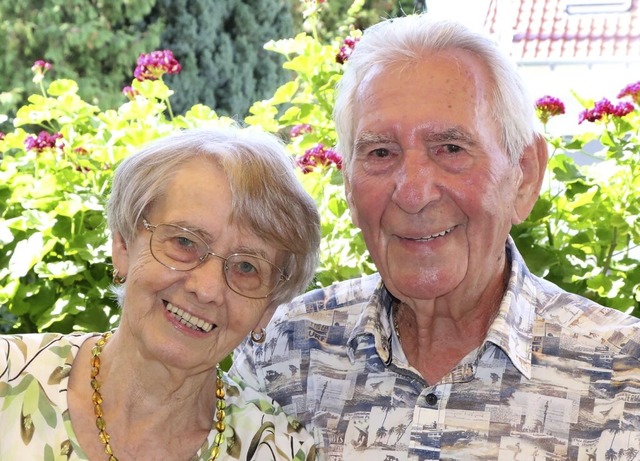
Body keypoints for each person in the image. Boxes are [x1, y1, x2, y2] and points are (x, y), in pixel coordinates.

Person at [231, 14, 640, 460]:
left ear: (524, 174)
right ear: (348, 183)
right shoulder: (285, 354)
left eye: (450, 149)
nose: (413, 194)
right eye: (381, 152)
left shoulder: (624, 379)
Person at [0, 126, 321, 460]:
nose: (207, 289)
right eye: (184, 242)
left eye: (246, 268)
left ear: (268, 307)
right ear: (123, 245)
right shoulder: (8, 377)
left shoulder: (280, 451)